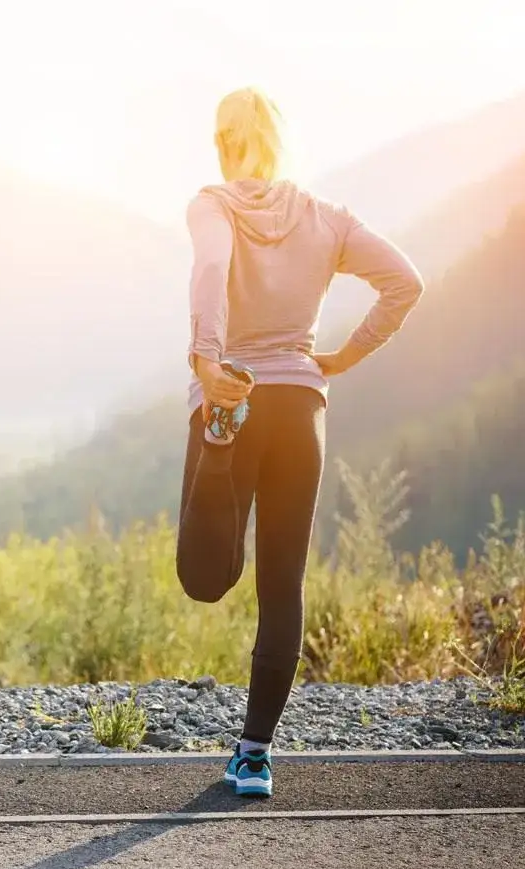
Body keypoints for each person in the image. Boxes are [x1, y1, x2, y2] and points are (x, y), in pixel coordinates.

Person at [178, 86, 424, 798]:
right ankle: (254, 756)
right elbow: (404, 283)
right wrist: (344, 358)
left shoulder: (211, 205)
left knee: (205, 578)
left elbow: (209, 272)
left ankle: (221, 441)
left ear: (222, 143)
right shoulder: (327, 218)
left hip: (233, 393)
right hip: (301, 406)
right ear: (280, 143)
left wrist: (208, 358)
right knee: (282, 585)